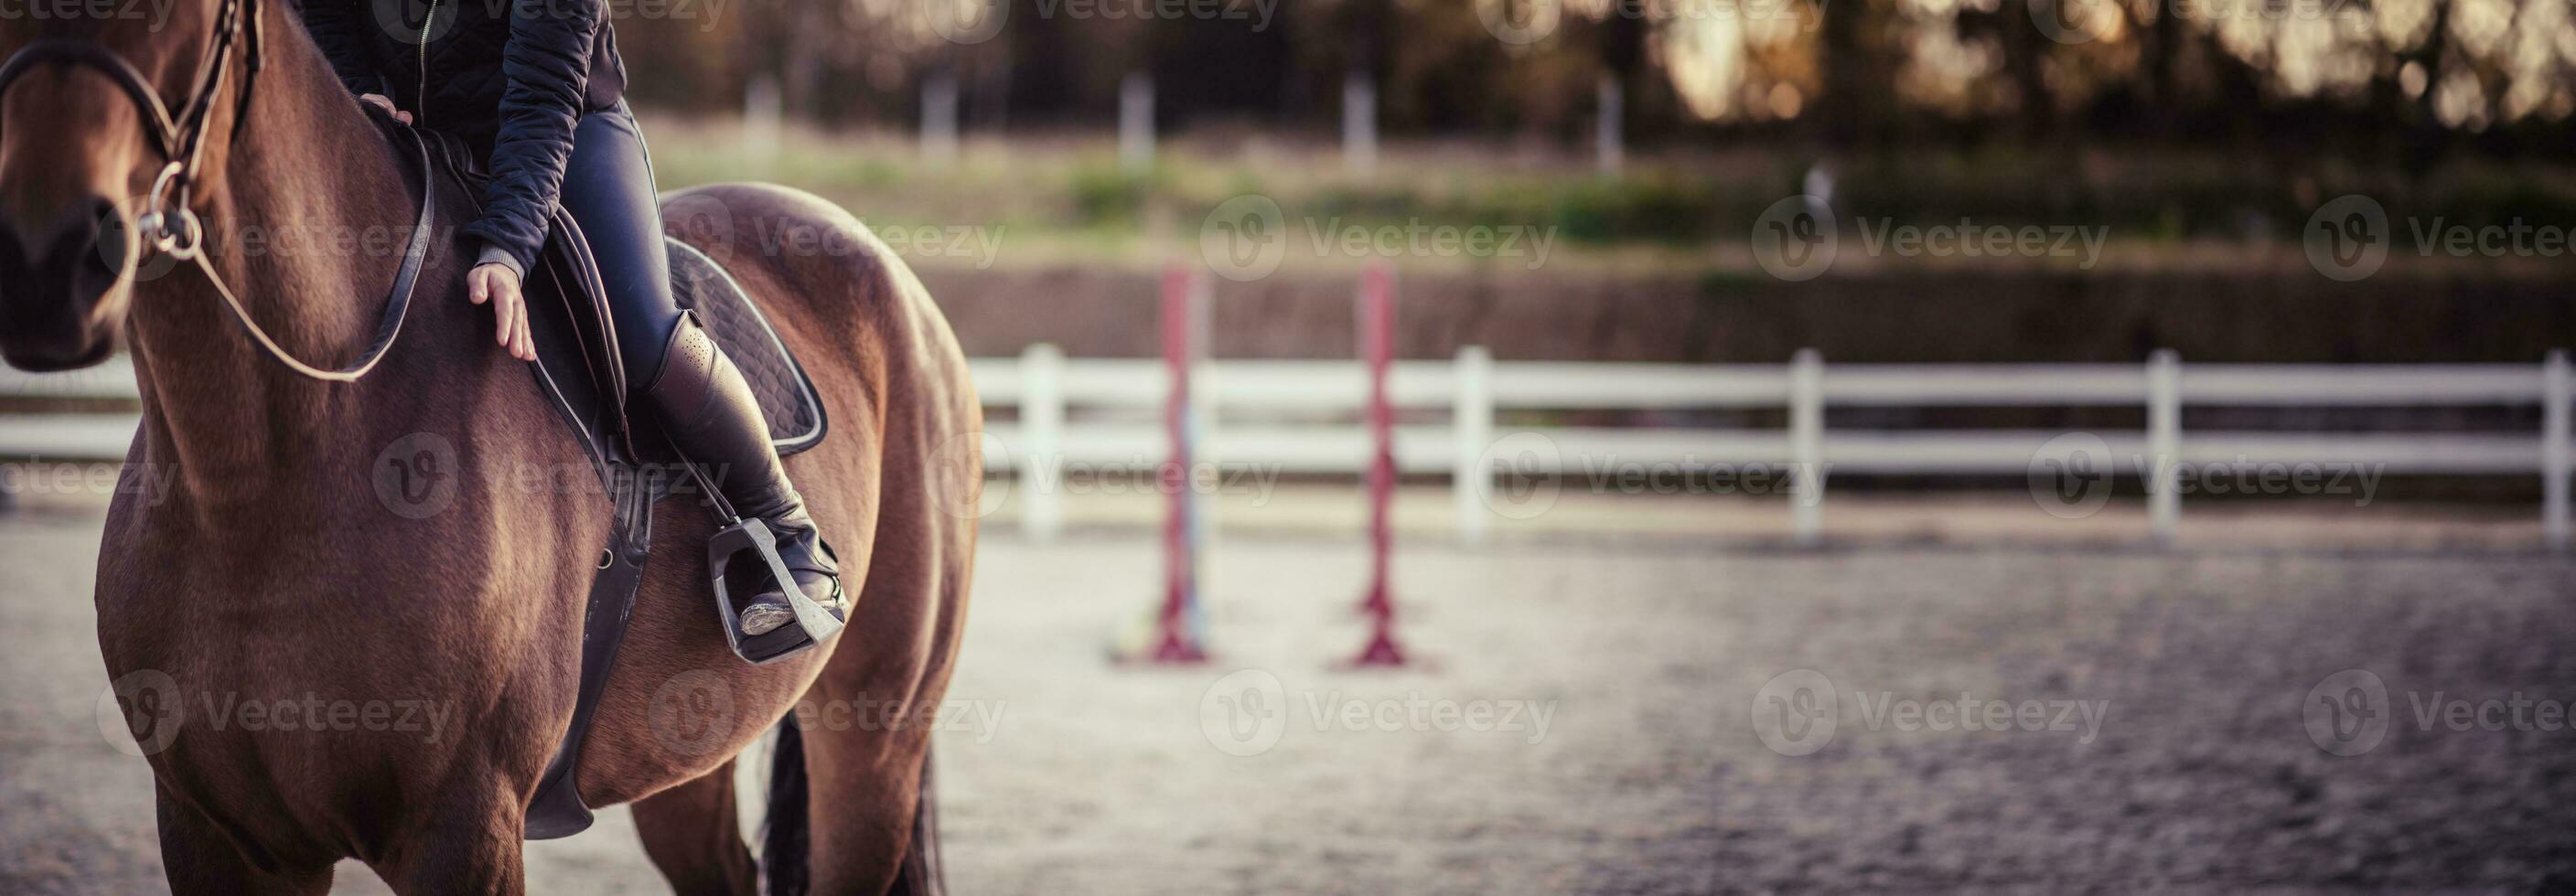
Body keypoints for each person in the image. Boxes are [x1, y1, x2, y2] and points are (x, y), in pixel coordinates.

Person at [296, 0, 838, 643]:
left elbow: (542, 98)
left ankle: (787, 531)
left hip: (561, 131)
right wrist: (357, 86)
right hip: (399, 127)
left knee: (640, 327)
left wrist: (507, 246)